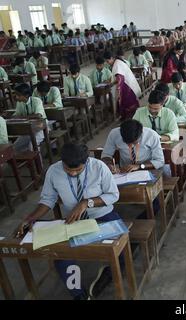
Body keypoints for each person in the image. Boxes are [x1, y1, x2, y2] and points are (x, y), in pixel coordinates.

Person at [15, 143, 121, 300]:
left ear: (86, 162)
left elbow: (113, 195)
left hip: (102, 214)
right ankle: (78, 293)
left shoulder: (99, 167)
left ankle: (107, 275)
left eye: (78, 170)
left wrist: (86, 203)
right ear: (62, 162)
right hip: (73, 220)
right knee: (61, 256)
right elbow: (48, 199)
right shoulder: (53, 171)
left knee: (121, 247)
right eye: (68, 169)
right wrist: (31, 218)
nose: (72, 173)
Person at [104, 51, 141, 120]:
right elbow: (118, 77)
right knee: (125, 102)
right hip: (126, 84)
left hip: (127, 86)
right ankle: (125, 117)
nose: (107, 63)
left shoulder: (117, 64)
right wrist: (112, 82)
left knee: (127, 102)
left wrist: (118, 89)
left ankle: (129, 118)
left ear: (112, 58)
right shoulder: (117, 62)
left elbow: (120, 78)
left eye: (107, 61)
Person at [12, 83, 47, 152]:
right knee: (15, 147)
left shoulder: (36, 101)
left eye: (18, 95)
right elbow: (16, 115)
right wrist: (13, 117)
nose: (16, 97)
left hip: (40, 128)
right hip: (28, 129)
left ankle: (38, 162)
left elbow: (38, 115)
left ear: (26, 95)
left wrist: (21, 117)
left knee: (32, 146)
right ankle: (26, 161)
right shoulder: (20, 103)